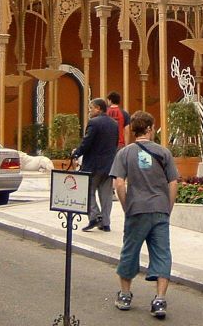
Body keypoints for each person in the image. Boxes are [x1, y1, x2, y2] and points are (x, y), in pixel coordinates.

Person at [109, 110, 179, 319]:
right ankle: (159, 299)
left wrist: (126, 206)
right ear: (149, 129)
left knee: (130, 251)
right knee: (162, 253)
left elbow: (118, 183)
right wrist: (168, 207)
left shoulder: (124, 153)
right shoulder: (164, 152)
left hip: (136, 209)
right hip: (159, 208)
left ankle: (125, 295)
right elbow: (173, 182)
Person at [73, 97, 119, 231]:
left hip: (93, 165)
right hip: (109, 165)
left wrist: (76, 153)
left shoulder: (93, 123)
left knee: (87, 191)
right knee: (106, 195)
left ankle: (94, 217)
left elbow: (87, 142)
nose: (90, 111)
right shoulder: (114, 124)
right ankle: (105, 223)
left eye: (91, 108)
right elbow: (115, 144)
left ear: (98, 108)